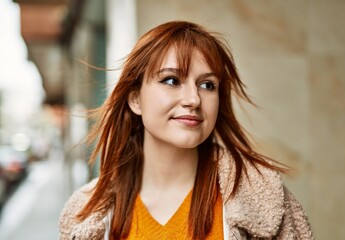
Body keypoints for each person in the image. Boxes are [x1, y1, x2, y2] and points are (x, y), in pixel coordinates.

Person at [59, 21, 313, 240]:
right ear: (135, 98)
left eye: (207, 85)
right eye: (171, 80)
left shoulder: (263, 197)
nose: (193, 99)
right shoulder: (85, 212)